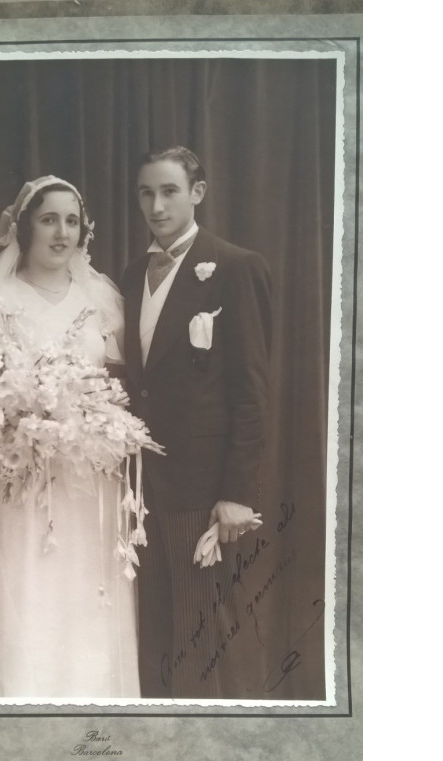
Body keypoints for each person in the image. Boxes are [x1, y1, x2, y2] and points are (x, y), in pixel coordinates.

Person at [0, 176, 140, 699]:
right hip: (19, 488)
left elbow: (119, 390)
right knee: (27, 597)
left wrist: (91, 423)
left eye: (71, 220)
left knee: (87, 605)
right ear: (25, 227)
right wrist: (17, 419)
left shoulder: (103, 300)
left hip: (90, 490)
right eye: (49, 219)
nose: (62, 232)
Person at [121, 147, 273, 698]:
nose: (156, 205)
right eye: (146, 193)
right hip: (138, 490)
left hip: (201, 487)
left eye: (169, 191)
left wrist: (237, 492)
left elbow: (252, 392)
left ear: (198, 193)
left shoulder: (235, 266)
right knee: (154, 635)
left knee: (201, 638)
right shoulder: (133, 272)